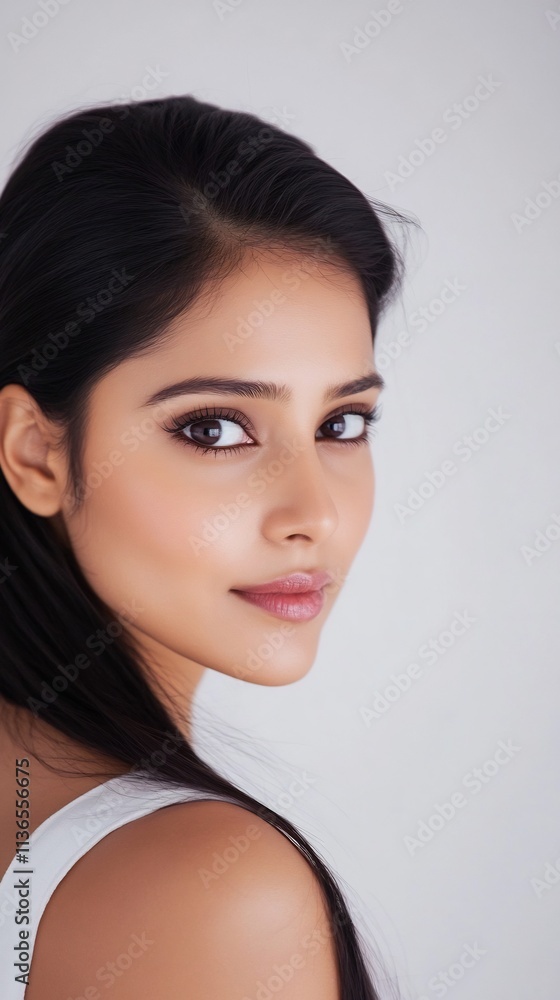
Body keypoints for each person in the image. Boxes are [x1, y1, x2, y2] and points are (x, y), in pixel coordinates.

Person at [0, 94, 416, 998]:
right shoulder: (212, 896)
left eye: (343, 423)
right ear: (36, 451)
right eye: (217, 429)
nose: (312, 512)